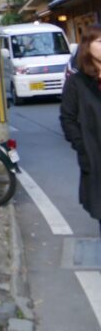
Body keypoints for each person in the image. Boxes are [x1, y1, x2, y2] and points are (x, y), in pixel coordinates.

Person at [59, 24, 101, 237]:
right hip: (96, 158)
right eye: (100, 42)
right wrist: (82, 147)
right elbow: (67, 118)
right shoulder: (77, 82)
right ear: (87, 47)